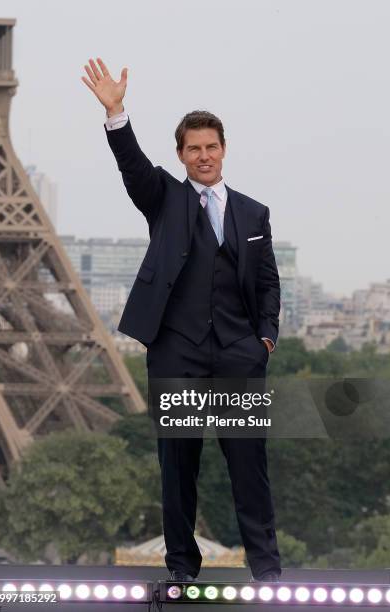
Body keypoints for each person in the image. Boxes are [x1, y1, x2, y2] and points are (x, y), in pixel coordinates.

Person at [82, 57, 282, 583]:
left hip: (240, 353)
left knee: (250, 468)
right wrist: (116, 110)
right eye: (193, 148)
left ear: (223, 150)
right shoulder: (164, 199)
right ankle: (181, 570)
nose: (203, 156)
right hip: (178, 352)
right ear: (181, 155)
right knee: (178, 467)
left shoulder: (254, 213)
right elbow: (131, 164)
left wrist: (265, 339)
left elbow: (267, 283)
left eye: (211, 146)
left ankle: (267, 569)